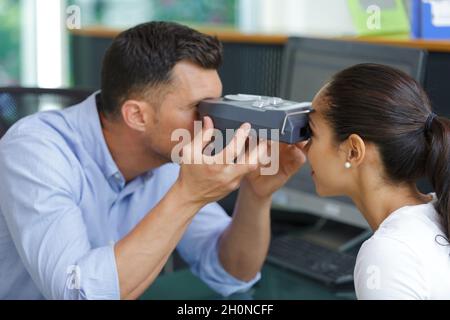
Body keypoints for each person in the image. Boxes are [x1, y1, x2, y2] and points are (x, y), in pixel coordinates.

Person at [0, 22, 307, 299]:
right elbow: (76, 294)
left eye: (216, 105)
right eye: (199, 108)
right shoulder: (36, 152)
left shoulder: (168, 161)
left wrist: (255, 195)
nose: (213, 123)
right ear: (137, 115)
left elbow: (230, 273)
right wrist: (187, 197)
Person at [303, 63, 450, 299]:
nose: (303, 148)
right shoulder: (436, 210)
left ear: (353, 151)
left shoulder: (388, 254)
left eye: (311, 135)